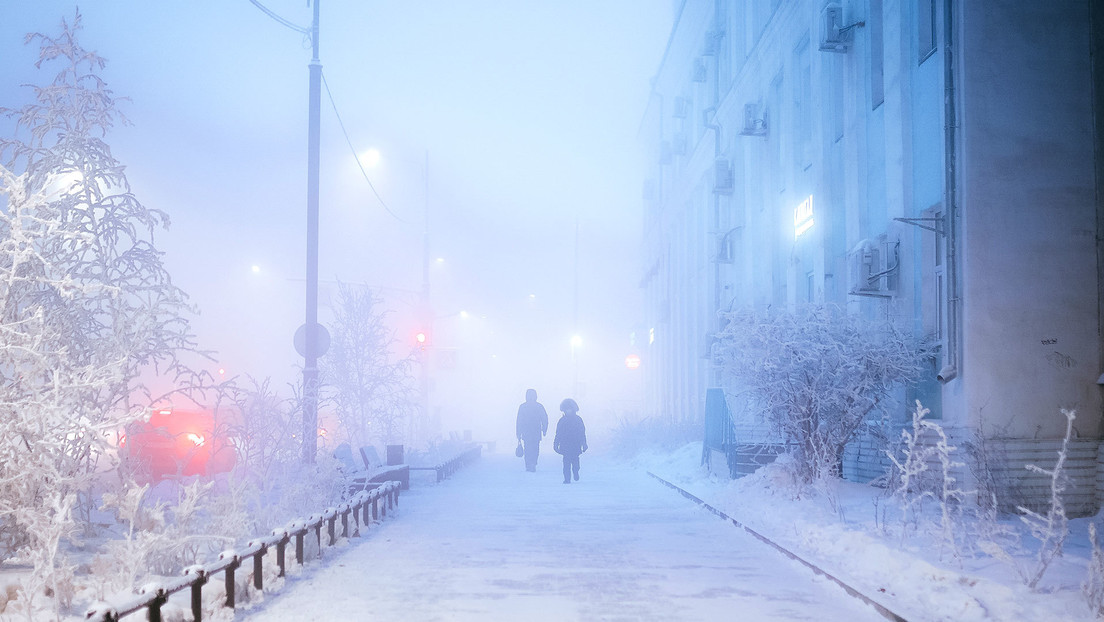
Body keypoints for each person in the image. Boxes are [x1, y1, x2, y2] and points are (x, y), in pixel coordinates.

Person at [553, 398, 587, 484]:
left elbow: (582, 433)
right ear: (564, 410)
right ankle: (567, 479)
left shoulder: (578, 420)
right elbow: (558, 433)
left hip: (576, 445)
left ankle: (575, 472)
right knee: (566, 463)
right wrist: (556, 444)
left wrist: (584, 443)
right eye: (566, 409)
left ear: (574, 409)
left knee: (575, 462)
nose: (568, 411)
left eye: (570, 409)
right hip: (565, 445)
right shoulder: (562, 421)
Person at [515, 389, 548, 472]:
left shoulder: (523, 406)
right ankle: (533, 463)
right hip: (536, 431)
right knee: (535, 448)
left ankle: (529, 464)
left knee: (528, 449)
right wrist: (544, 429)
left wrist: (518, 433)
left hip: (526, 432)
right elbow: (544, 418)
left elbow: (519, 421)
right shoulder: (539, 406)